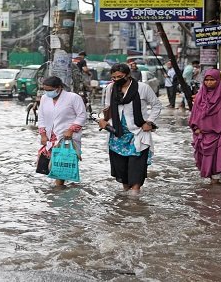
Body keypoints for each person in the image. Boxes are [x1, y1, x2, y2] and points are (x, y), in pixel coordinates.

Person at [98, 63, 162, 194]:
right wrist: (103, 121)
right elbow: (108, 109)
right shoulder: (110, 88)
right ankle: (125, 199)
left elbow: (156, 105)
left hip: (138, 133)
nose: (116, 80)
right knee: (121, 171)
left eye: (119, 76)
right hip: (117, 135)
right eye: (114, 77)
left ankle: (134, 201)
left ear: (127, 75)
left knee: (136, 170)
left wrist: (149, 122)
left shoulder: (142, 88)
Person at [37, 76, 87, 186]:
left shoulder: (73, 97)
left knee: (62, 166)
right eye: (45, 90)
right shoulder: (45, 98)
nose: (48, 92)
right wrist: (43, 135)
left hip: (67, 138)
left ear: (59, 88)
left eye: (50, 90)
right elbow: (41, 117)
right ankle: (59, 188)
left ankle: (58, 190)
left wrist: (71, 130)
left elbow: (82, 115)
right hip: (50, 137)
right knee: (49, 167)